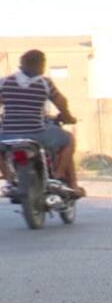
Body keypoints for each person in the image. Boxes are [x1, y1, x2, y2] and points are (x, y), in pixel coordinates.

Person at [0, 49, 84, 195]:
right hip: (37, 134)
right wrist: (67, 117)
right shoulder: (44, 83)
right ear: (41, 65)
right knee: (69, 140)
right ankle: (58, 175)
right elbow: (61, 102)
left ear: (21, 64)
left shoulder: (5, 82)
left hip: (8, 135)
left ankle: (8, 176)